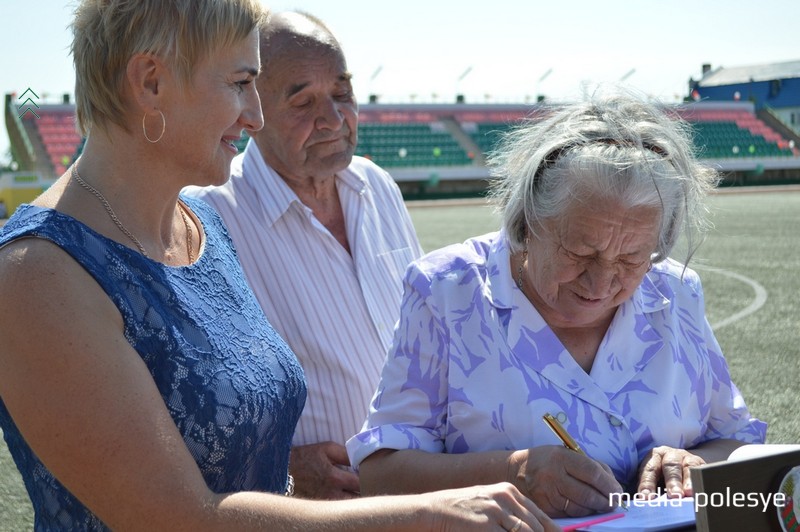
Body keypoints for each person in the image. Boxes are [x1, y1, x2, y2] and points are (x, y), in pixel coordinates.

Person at [0, 1, 558, 530]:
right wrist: (425, 514)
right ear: (150, 82)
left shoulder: (200, 228)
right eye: (241, 83)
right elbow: (179, 520)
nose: (256, 114)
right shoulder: (36, 275)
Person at [347, 89, 768, 518]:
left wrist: (696, 465)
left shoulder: (677, 293)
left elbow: (739, 440)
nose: (601, 282)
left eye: (631, 258)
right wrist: (513, 471)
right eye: (580, 253)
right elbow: (381, 474)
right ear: (527, 223)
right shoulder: (447, 292)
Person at [186, 11, 422, 499]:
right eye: (303, 102)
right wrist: (285, 472)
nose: (334, 120)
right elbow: (191, 405)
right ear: (252, 110)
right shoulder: (210, 217)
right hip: (316, 512)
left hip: (418, 486)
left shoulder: (376, 186)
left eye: (342, 93)